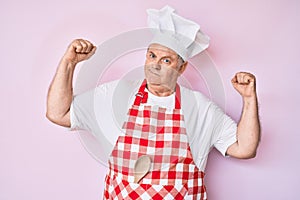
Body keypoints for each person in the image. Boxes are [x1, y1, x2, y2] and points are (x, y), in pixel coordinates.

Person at [46, 6, 260, 200]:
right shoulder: (114, 95)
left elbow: (244, 148)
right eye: (152, 55)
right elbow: (59, 113)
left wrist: (249, 98)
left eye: (166, 60)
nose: (155, 65)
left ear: (181, 68)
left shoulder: (199, 107)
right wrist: (69, 63)